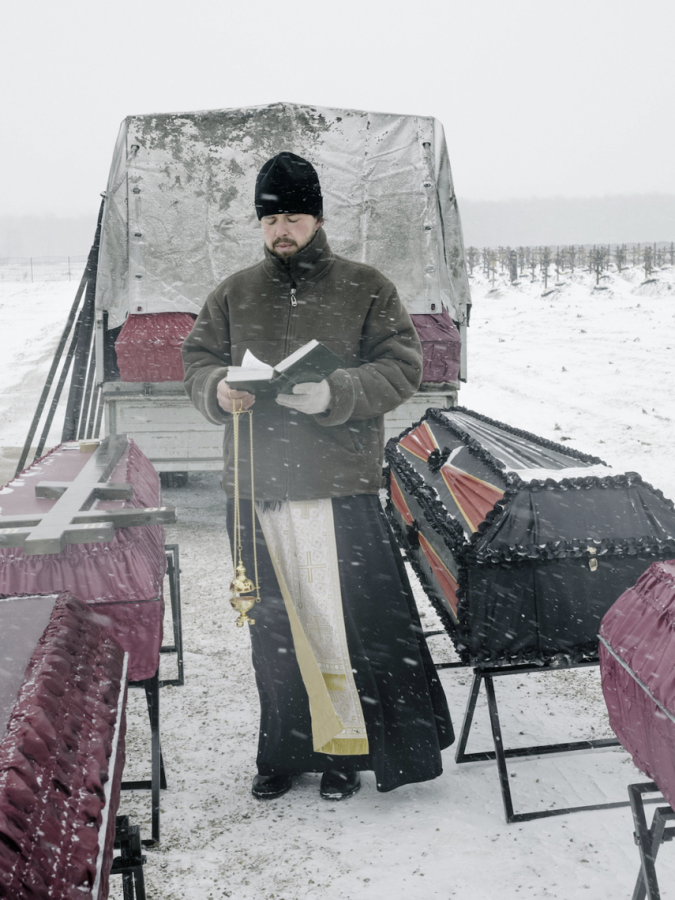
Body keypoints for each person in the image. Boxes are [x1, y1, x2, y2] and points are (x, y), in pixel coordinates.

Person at [182, 152, 453, 801]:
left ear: (318, 216)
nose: (282, 228)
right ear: (259, 222)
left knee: (337, 627)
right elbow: (197, 361)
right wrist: (218, 389)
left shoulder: (366, 286)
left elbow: (401, 366)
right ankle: (282, 752)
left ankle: (344, 753)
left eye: (294, 215)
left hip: (338, 489)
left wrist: (336, 392)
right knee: (273, 632)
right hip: (256, 488)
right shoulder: (234, 293)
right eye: (271, 217)